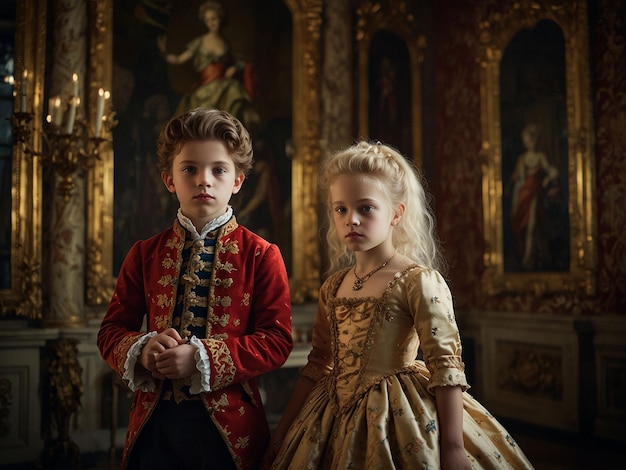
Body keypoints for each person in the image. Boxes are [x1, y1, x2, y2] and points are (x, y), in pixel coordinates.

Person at [265, 141, 533, 469]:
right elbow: (319, 364)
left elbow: (445, 366)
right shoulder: (332, 286)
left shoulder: (417, 280)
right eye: (341, 209)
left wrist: (452, 447)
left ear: (396, 213)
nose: (352, 220)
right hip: (328, 415)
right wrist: (282, 433)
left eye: (365, 208)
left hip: (398, 413)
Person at [98, 108, 293, 470]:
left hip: (231, 433)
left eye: (218, 170)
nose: (204, 180)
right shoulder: (144, 254)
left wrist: (201, 357)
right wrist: (141, 350)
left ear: (237, 180)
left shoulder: (262, 255)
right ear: (169, 179)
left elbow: (277, 341)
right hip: (154, 428)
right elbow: (110, 332)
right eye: (189, 169)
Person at [157, 1, 260, 135]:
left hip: (222, 86)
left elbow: (240, 62)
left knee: (234, 92)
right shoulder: (200, 41)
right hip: (204, 89)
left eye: (214, 19)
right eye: (208, 20)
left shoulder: (225, 44)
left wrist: (234, 68)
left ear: (220, 19)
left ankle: (231, 135)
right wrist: (165, 53)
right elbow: (178, 59)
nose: (212, 23)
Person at [509, 123, 559, 270]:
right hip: (524, 193)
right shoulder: (523, 158)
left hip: (535, 192)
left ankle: (528, 258)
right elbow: (518, 177)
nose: (528, 143)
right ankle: (529, 255)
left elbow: (552, 171)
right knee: (524, 225)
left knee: (532, 225)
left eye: (530, 140)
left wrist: (547, 180)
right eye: (526, 140)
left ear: (535, 140)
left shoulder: (540, 156)